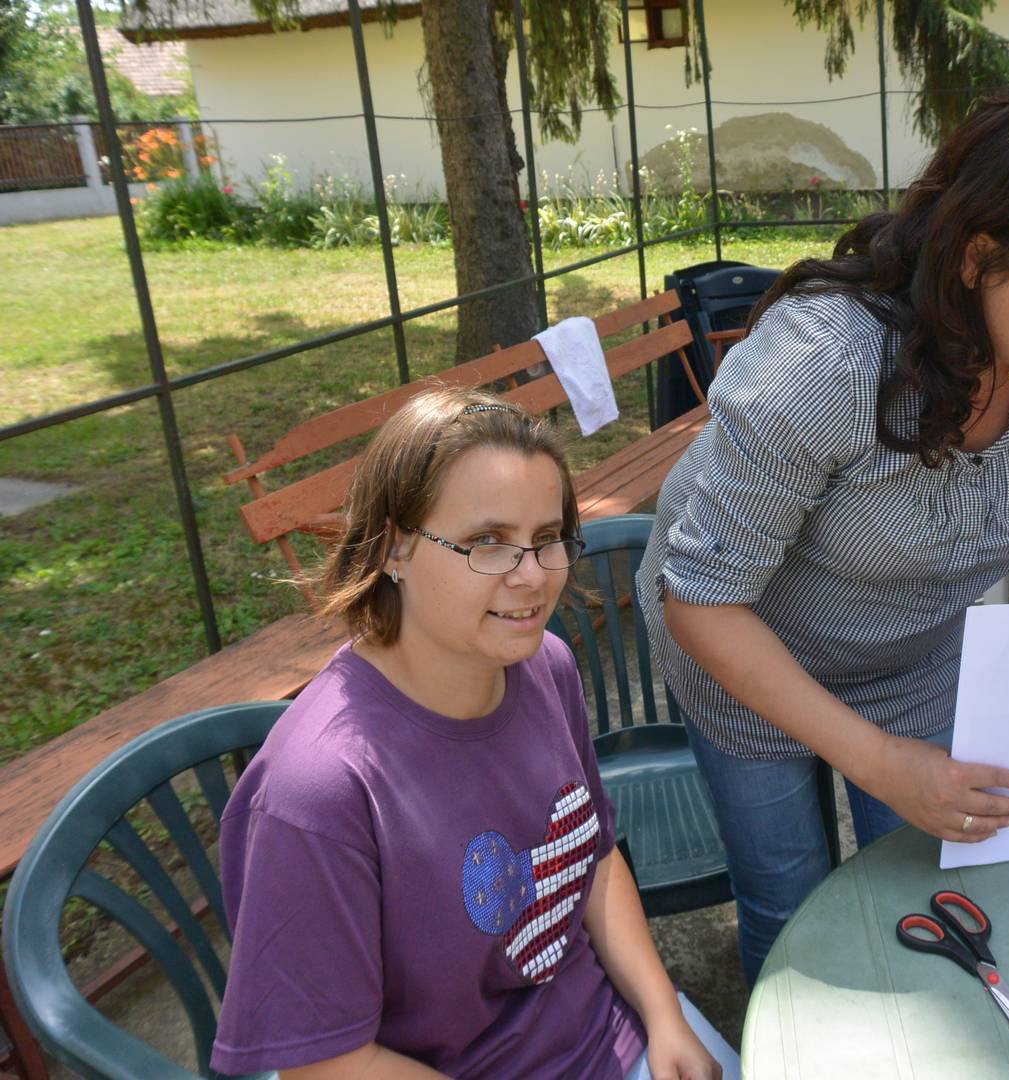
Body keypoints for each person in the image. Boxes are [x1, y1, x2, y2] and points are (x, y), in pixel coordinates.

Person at [635, 76, 1009, 982]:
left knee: (927, 877)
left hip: (912, 658)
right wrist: (880, 762)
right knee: (788, 897)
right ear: (979, 257)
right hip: (742, 654)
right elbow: (703, 602)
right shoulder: (823, 366)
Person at [210, 388, 725, 1080]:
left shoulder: (545, 666)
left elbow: (594, 858)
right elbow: (328, 1063)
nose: (533, 576)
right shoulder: (318, 792)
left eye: (547, 539)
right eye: (488, 543)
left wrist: (664, 1015)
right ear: (392, 547)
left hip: (613, 1039)